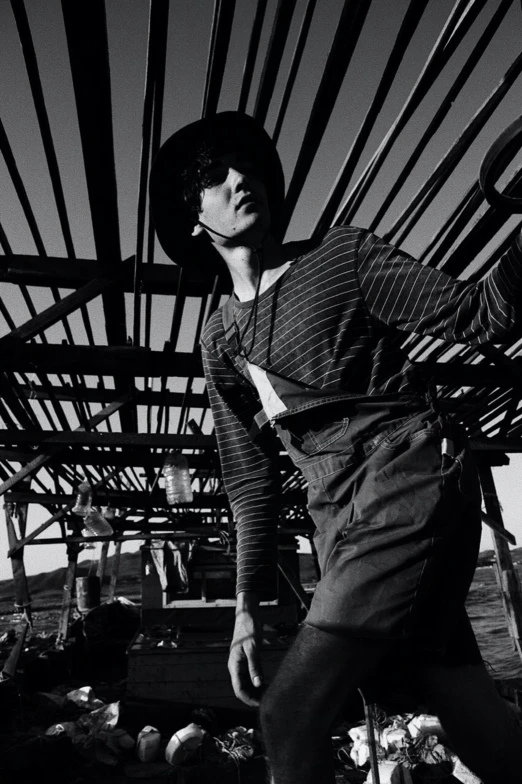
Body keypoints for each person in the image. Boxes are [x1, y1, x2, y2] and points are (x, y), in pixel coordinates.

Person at [150, 111, 522, 784]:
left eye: (246, 166)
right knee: (464, 707)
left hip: (408, 476)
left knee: (289, 712)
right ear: (190, 215)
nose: (241, 179)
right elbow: (251, 482)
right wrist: (246, 610)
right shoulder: (220, 340)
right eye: (214, 175)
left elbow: (480, 313)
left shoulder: (339, 258)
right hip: (341, 522)